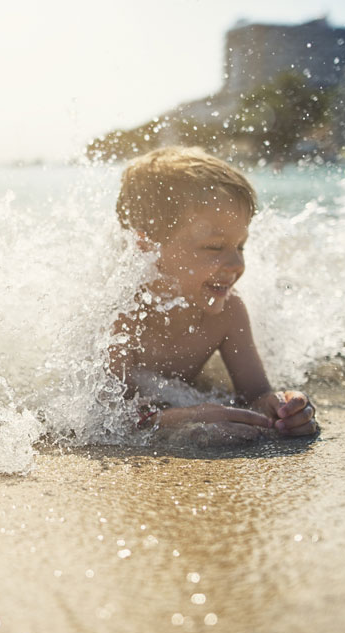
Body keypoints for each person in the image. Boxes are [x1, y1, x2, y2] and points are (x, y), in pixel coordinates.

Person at [109, 146, 318, 441]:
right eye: (214, 247)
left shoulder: (228, 313)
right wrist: (188, 418)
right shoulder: (118, 315)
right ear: (147, 248)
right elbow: (101, 419)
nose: (237, 264)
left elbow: (256, 394)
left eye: (240, 246)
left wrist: (282, 409)